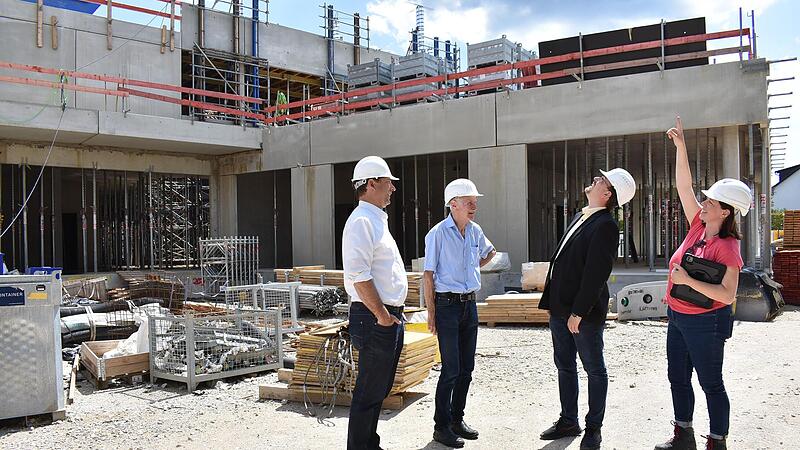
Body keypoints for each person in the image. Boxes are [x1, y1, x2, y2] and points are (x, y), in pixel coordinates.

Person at [655, 117, 750, 450]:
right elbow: (684, 186)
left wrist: (687, 281)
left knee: (711, 383)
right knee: (678, 378)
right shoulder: (698, 225)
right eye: (707, 200)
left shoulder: (727, 247)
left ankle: (717, 441)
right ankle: (684, 435)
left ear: (725, 212)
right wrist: (681, 147)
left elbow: (727, 295)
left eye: (711, 201)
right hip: (679, 317)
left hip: (707, 321)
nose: (704, 203)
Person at [538, 167, 636, 450]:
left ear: (607, 194)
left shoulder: (605, 224)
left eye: (600, 180)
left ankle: (594, 429)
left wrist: (578, 312)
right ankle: (568, 420)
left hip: (581, 313)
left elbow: (596, 273)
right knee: (564, 365)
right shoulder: (582, 216)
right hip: (561, 308)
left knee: (594, 368)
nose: (594, 179)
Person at [423, 179, 496, 448]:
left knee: (467, 368)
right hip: (447, 307)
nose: (474, 205)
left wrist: (471, 268)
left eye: (475, 201)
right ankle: (440, 428)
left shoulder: (475, 231)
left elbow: (491, 252)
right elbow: (428, 276)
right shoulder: (437, 234)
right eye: (468, 201)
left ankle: (457, 420)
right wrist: (431, 313)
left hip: (470, 305)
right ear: (453, 205)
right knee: (451, 369)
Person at [342, 156, 408, 450]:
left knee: (378, 388)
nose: (393, 188)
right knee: (369, 390)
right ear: (371, 184)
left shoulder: (375, 220)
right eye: (388, 182)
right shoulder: (361, 221)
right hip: (373, 317)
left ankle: (370, 444)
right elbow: (359, 275)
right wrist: (382, 316)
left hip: (384, 316)